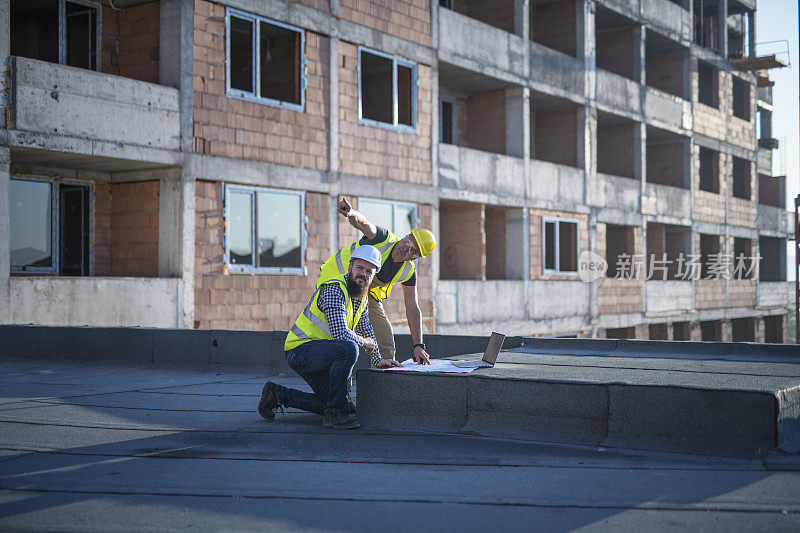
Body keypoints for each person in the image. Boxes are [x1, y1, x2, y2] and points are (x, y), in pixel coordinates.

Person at [258, 245, 401, 429]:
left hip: (323, 354)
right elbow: (340, 334)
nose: (363, 274)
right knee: (349, 348)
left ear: (373, 276)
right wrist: (365, 343)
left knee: (343, 405)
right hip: (300, 350)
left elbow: (366, 328)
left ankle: (277, 394)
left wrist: (378, 358)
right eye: (359, 268)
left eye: (368, 271)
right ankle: (334, 416)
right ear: (350, 267)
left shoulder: (362, 297)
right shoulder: (335, 289)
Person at [321, 197, 436, 366]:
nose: (407, 247)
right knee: (343, 334)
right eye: (409, 240)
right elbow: (364, 224)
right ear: (407, 234)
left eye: (413, 250)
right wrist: (351, 213)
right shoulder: (383, 238)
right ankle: (341, 387)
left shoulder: (408, 271)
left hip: (364, 293)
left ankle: (382, 379)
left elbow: (412, 307)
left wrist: (418, 345)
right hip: (337, 282)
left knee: (385, 337)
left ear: (416, 257)